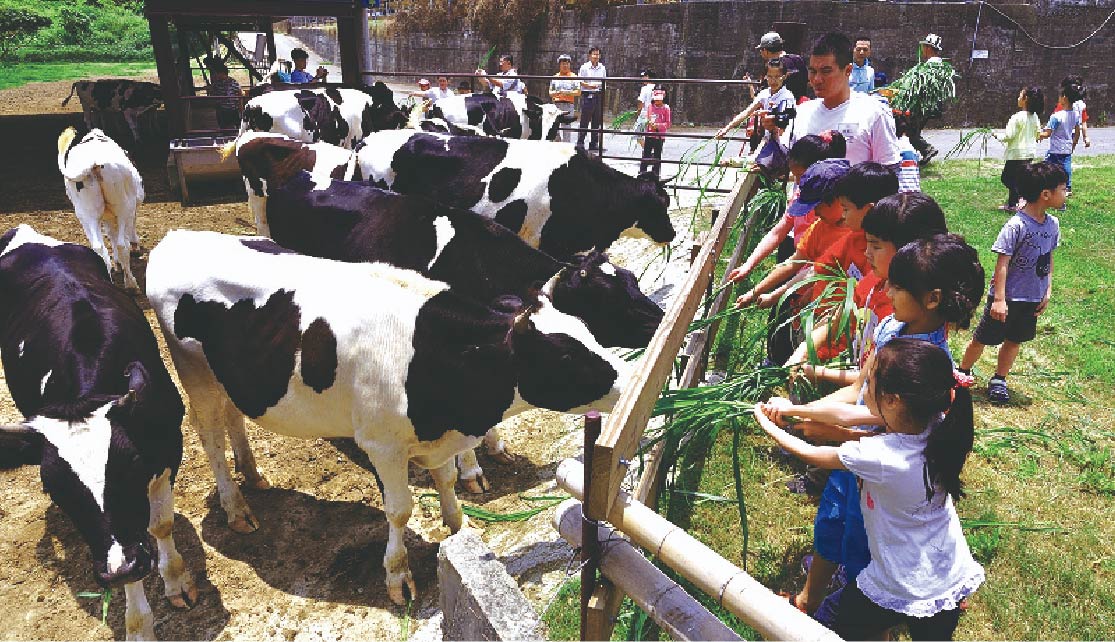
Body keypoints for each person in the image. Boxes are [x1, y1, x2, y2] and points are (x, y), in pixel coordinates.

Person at [765, 234, 985, 624]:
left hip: (873, 475)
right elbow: (861, 399)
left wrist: (800, 425)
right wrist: (802, 413)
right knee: (833, 521)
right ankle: (811, 598)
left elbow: (867, 430)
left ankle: (859, 607)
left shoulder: (924, 370)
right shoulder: (896, 335)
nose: (886, 291)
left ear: (932, 298)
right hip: (859, 462)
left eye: (896, 287)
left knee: (860, 547)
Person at [754, 337, 985, 641]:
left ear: (893, 401)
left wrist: (767, 423)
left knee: (826, 624)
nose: (864, 386)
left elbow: (811, 454)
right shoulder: (933, 422)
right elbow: (847, 415)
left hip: (898, 583)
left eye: (871, 380)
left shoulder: (881, 456)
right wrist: (795, 410)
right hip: (947, 577)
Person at [789, 192, 949, 387]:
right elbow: (836, 320)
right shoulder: (873, 280)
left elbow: (877, 380)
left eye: (876, 246)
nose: (866, 253)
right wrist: (804, 350)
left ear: (909, 252)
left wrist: (817, 373)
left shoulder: (909, 312)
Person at [959, 161, 1065, 404]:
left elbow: (1048, 258)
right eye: (1063, 188)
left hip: (1031, 297)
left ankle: (999, 379)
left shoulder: (1053, 225)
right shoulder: (1016, 226)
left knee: (1015, 339)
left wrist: (1047, 290)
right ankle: (962, 371)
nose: (1066, 193)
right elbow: (1002, 263)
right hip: (1007, 297)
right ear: (1045, 194)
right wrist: (999, 299)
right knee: (982, 338)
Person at [779, 32, 901, 167]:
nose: (817, 79)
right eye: (813, 71)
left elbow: (890, 170)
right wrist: (773, 133)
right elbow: (783, 162)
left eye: (826, 71)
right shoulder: (802, 112)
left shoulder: (874, 113)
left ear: (848, 70)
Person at [715, 58, 794, 145]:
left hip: (784, 142)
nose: (773, 80)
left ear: (784, 77)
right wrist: (726, 129)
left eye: (777, 77)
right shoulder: (764, 94)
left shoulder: (787, 97)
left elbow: (786, 124)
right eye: (770, 76)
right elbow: (746, 112)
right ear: (765, 77)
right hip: (770, 140)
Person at [998, 86, 1044, 212]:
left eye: (1020, 96)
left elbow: (1008, 136)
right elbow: (1038, 134)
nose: (1018, 98)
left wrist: (996, 135)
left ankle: (1022, 198)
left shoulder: (1017, 117)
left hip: (1016, 154)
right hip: (1029, 153)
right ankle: (1012, 204)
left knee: (1007, 178)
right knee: (1018, 178)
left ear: (1025, 99)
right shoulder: (1034, 117)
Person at [904, 33, 945, 165]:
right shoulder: (939, 64)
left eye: (924, 47)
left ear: (928, 48)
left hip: (924, 105)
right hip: (930, 104)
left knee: (911, 131)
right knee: (914, 131)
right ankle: (926, 151)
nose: (922, 50)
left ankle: (927, 149)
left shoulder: (931, 65)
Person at [1038, 86, 1081, 195]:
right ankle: (1067, 187)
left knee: (1048, 167)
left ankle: (1049, 186)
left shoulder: (1056, 116)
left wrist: (1036, 135)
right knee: (1066, 167)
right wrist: (1073, 145)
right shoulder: (1076, 115)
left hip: (1056, 149)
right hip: (1067, 147)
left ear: (1064, 97)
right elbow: (1077, 133)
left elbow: (1047, 133)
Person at [755, 31, 809, 103]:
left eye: (761, 50)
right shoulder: (798, 60)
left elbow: (760, 101)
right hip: (802, 106)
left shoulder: (771, 67)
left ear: (765, 50)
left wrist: (751, 87)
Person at [577, 47, 607, 151]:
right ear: (590, 56)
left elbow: (604, 81)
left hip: (598, 95)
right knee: (585, 120)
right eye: (594, 54)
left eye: (598, 54)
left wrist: (601, 90)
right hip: (588, 95)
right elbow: (579, 81)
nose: (596, 56)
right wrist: (589, 86)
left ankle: (594, 143)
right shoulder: (584, 67)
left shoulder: (602, 68)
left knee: (596, 120)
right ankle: (580, 142)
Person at [639, 87, 671, 178]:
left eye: (659, 100)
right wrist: (649, 123)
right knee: (646, 154)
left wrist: (658, 126)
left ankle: (656, 174)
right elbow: (648, 118)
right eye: (656, 99)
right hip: (650, 134)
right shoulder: (650, 107)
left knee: (657, 155)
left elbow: (668, 124)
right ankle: (642, 172)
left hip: (659, 136)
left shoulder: (666, 108)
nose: (657, 101)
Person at [549, 54, 581, 143]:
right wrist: (557, 93)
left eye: (567, 63)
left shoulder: (573, 77)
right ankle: (556, 144)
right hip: (556, 104)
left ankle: (566, 146)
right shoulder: (555, 77)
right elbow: (550, 93)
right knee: (554, 127)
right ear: (560, 65)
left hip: (568, 105)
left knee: (566, 128)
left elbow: (578, 92)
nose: (565, 65)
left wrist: (567, 92)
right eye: (563, 63)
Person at [204, 58, 241, 130]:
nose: (216, 75)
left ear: (222, 73)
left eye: (217, 73)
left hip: (232, 109)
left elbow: (239, 94)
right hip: (222, 110)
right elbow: (214, 93)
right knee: (224, 127)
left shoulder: (233, 82)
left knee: (234, 126)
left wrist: (240, 108)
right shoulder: (217, 83)